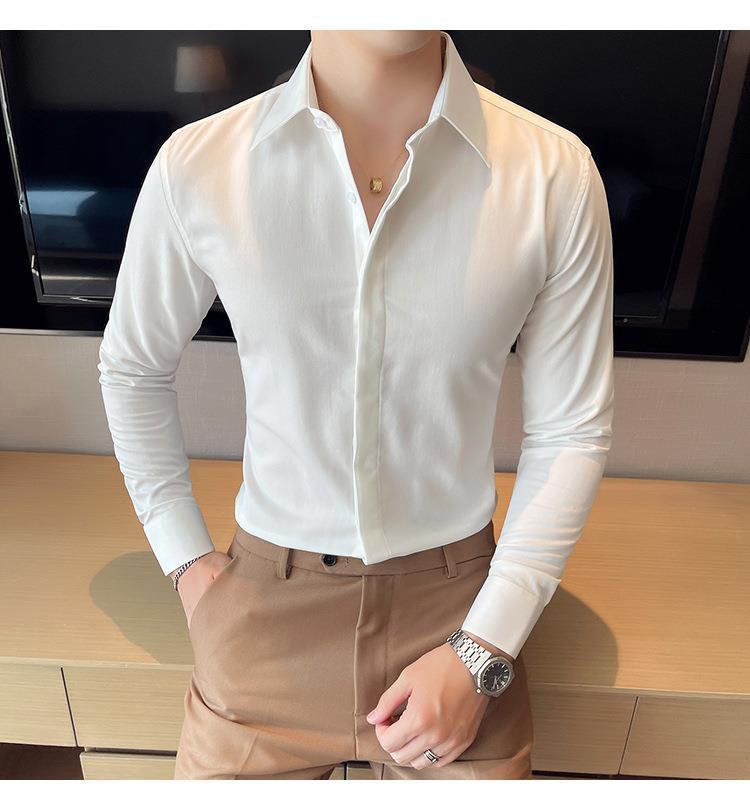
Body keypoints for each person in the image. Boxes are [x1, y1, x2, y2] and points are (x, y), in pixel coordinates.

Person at [97, 29, 614, 779]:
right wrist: (186, 564)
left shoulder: (553, 173)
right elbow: (132, 368)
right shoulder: (202, 163)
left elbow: (571, 428)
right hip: (263, 617)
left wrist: (483, 652)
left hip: (460, 623)